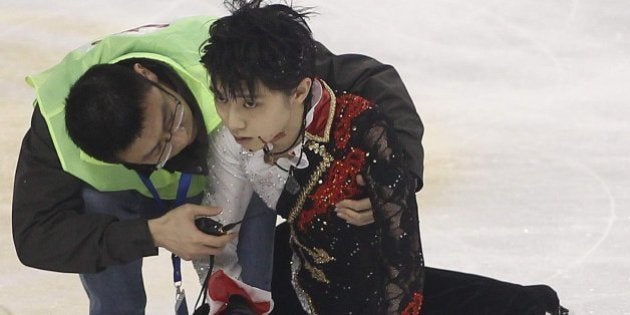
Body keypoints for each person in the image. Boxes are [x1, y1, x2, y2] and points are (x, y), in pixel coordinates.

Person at [12, 14, 424, 315]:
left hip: (234, 182)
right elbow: (35, 238)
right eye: (155, 153)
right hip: (134, 207)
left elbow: (371, 77)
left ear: (148, 75)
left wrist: (393, 179)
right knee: (97, 201)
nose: (179, 140)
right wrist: (150, 233)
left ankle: (248, 303)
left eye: (172, 119)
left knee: (250, 164)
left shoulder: (222, 58)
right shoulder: (57, 129)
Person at [195, 2, 569, 315]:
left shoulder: (354, 121)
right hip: (300, 255)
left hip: (355, 230)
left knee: (361, 268)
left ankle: (521, 305)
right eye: (221, 99)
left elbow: (401, 261)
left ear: (299, 90)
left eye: (249, 103)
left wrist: (394, 183)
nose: (232, 119)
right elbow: (220, 239)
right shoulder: (230, 138)